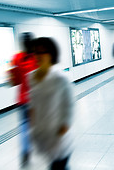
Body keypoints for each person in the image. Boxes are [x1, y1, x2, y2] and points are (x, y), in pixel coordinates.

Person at [28, 37, 74, 170]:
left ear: (52, 54)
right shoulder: (31, 77)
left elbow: (69, 104)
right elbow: (33, 102)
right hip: (42, 134)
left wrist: (64, 127)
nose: (38, 56)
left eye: (42, 52)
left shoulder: (61, 77)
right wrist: (32, 125)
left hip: (59, 135)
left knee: (58, 165)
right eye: (36, 52)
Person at [9, 32, 38, 167]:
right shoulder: (37, 58)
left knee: (24, 126)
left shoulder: (16, 58)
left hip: (22, 100)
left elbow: (13, 82)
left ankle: (25, 151)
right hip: (36, 99)